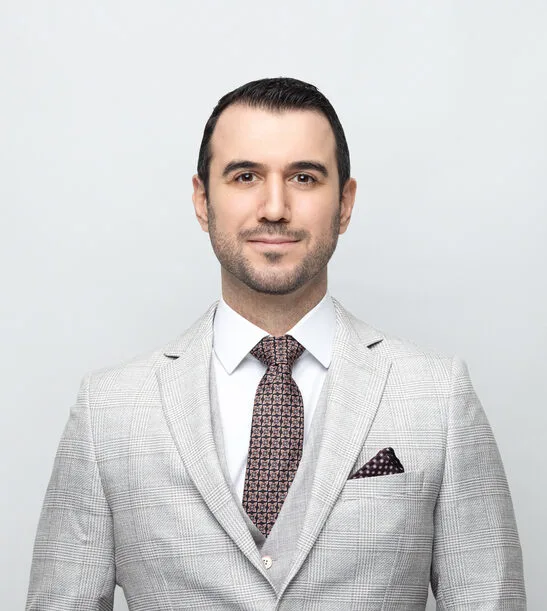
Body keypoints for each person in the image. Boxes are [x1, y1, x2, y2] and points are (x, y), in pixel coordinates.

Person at [26, 77, 526, 610]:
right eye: (245, 176)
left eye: (304, 177)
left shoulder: (437, 397)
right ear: (202, 201)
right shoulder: (109, 413)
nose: (274, 207)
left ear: (345, 203)